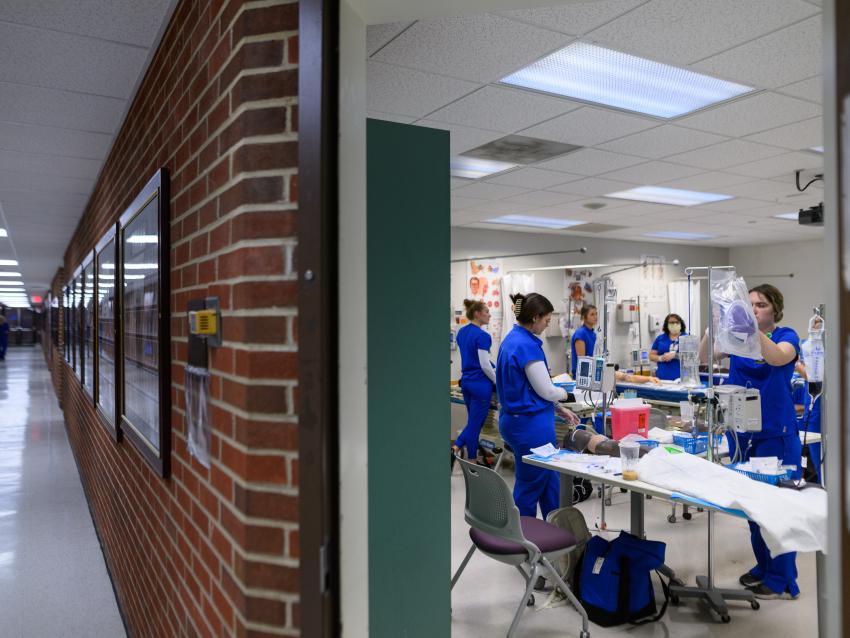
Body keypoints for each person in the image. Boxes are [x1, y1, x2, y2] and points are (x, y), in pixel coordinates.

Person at [699, 283, 801, 600]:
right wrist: (714, 325)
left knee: (777, 513)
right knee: (754, 512)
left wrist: (749, 329)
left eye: (760, 305)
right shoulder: (736, 339)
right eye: (749, 304)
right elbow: (704, 358)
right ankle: (764, 565)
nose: (753, 309)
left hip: (776, 436)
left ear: (775, 310)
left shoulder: (787, 337)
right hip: (742, 436)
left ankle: (781, 579)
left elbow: (775, 358)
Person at [497, 292, 580, 519]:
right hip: (530, 428)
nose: (547, 324)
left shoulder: (512, 339)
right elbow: (547, 390)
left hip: (519, 420)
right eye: (546, 320)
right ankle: (523, 539)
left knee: (549, 479)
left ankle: (557, 528)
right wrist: (570, 394)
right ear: (535, 317)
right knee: (530, 483)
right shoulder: (526, 345)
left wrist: (557, 408)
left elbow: (526, 388)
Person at [452, 299, 497, 467]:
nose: (489, 315)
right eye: (486, 312)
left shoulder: (461, 332)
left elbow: (477, 359)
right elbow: (485, 365)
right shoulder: (483, 336)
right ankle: (470, 460)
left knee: (473, 422)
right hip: (480, 385)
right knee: (474, 425)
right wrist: (497, 381)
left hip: (467, 383)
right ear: (477, 314)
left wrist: (495, 367)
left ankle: (459, 450)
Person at [650, 313, 687, 381]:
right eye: (672, 323)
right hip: (661, 379)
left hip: (681, 379)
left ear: (681, 324)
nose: (674, 324)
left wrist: (675, 355)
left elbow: (691, 357)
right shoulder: (660, 338)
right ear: (667, 325)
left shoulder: (686, 338)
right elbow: (651, 356)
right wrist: (661, 358)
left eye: (677, 322)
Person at [570, 305, 597, 378]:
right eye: (592, 314)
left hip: (591, 374)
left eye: (596, 314)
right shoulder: (581, 333)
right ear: (584, 317)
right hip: (582, 376)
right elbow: (582, 360)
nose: (595, 317)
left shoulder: (594, 334)